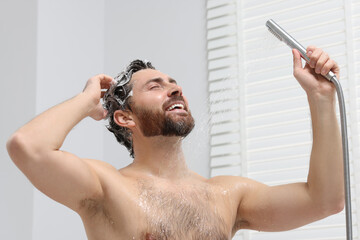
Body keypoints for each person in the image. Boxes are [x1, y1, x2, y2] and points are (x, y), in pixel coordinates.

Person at [7, 46, 344, 240]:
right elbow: (28, 146)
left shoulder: (227, 195)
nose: (174, 89)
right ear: (125, 118)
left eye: (174, 84)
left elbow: (324, 200)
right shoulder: (105, 186)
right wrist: (86, 99)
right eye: (155, 87)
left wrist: (321, 97)